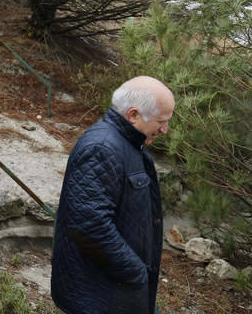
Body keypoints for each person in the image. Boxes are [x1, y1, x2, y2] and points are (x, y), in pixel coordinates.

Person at [51, 76, 173, 314]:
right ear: (134, 115)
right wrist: (136, 272)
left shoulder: (129, 144)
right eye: (161, 121)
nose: (165, 129)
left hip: (119, 287)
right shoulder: (102, 148)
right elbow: (88, 226)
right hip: (101, 293)